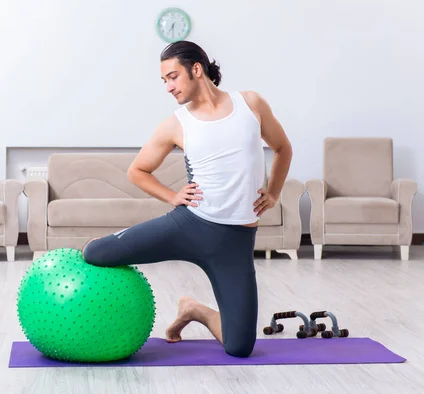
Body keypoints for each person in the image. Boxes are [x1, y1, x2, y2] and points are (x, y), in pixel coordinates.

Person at [82, 40, 293, 358]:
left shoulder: (251, 104)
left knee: (240, 347)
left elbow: (282, 148)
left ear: (196, 69)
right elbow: (137, 171)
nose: (168, 87)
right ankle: (189, 304)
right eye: (164, 80)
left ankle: (195, 310)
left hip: (235, 243)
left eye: (172, 76)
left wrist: (274, 192)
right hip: (190, 225)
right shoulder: (177, 124)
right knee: (95, 253)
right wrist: (172, 196)